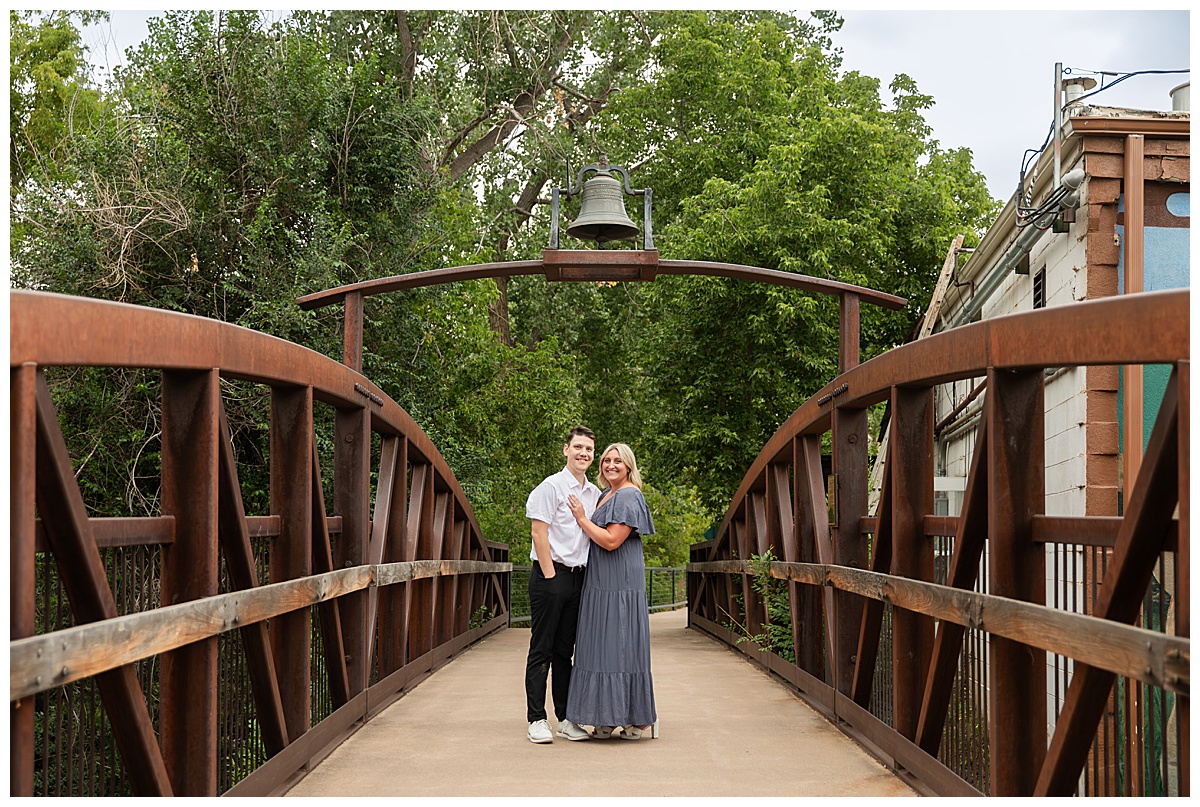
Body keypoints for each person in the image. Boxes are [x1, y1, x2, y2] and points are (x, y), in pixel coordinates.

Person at [564, 442, 659, 740]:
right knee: (601, 644)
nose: (610, 465)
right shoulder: (606, 494)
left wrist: (581, 518)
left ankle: (635, 718)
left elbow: (611, 541)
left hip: (619, 580)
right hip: (600, 579)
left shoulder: (629, 494)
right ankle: (606, 714)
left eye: (618, 461)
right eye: (606, 460)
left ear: (629, 465)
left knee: (620, 641)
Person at [523, 426, 602, 744]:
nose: (584, 453)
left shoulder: (594, 493)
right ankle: (536, 719)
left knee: (564, 652)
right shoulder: (551, 487)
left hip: (578, 577)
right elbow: (538, 533)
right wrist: (551, 577)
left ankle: (566, 718)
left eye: (589, 449)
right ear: (566, 450)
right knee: (541, 648)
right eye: (578, 447)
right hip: (550, 575)